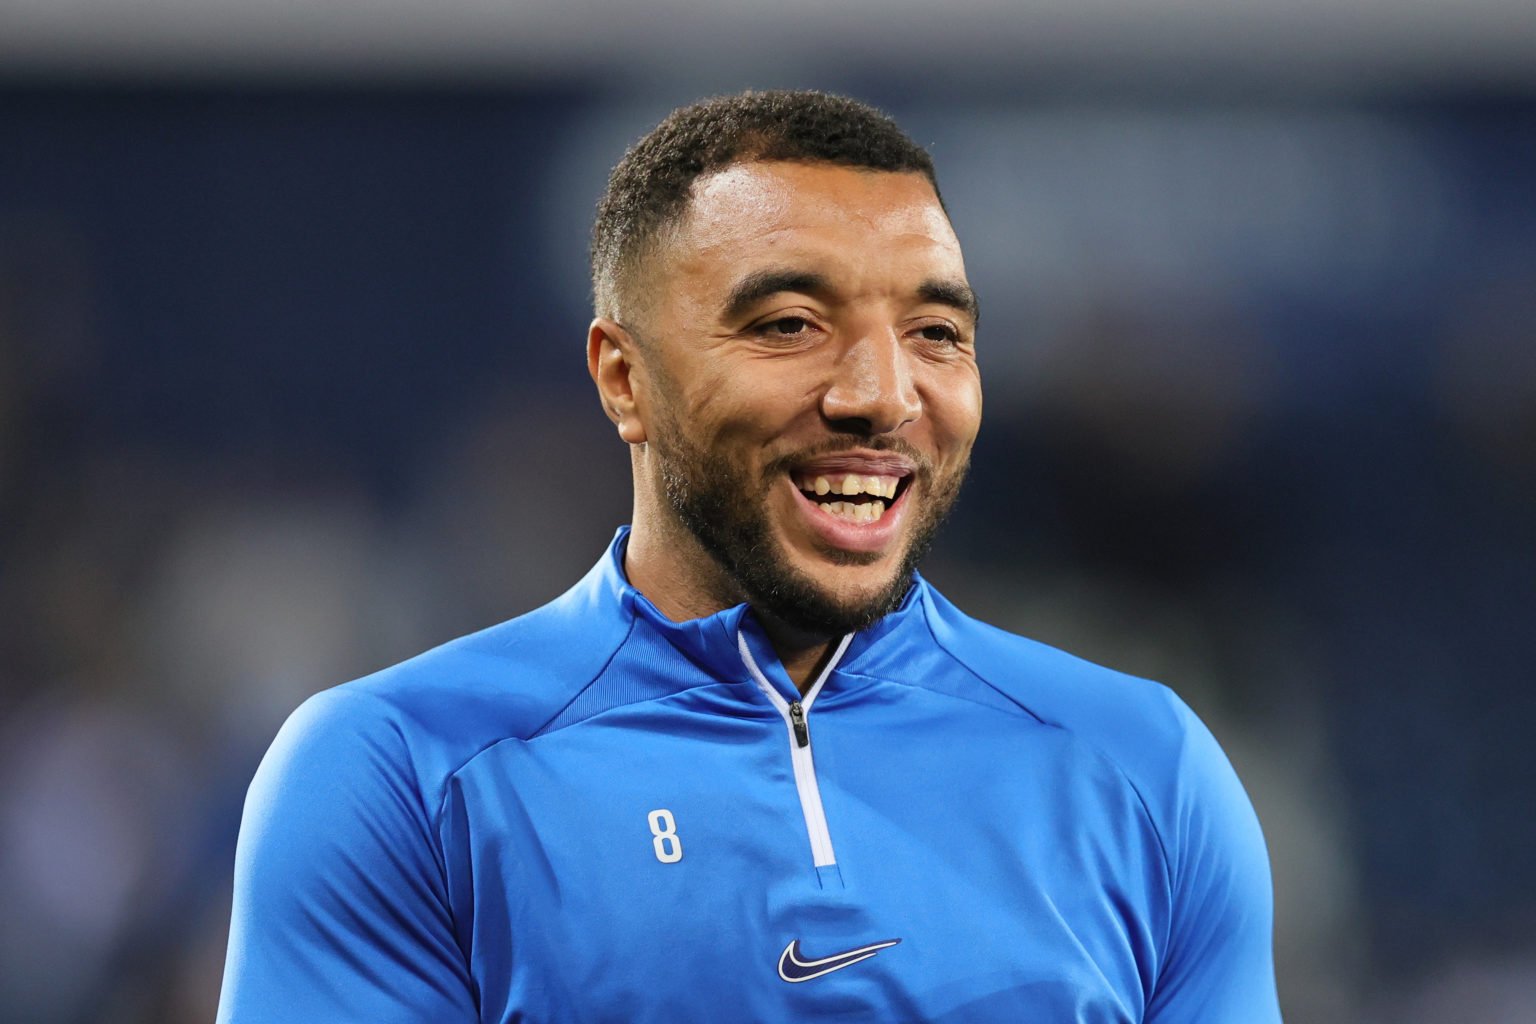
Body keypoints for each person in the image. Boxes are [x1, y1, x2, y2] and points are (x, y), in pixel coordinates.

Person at [216, 90, 1282, 1023]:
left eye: (936, 332)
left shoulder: (1147, 773)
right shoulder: (400, 774)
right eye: (788, 324)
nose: (880, 393)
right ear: (624, 378)